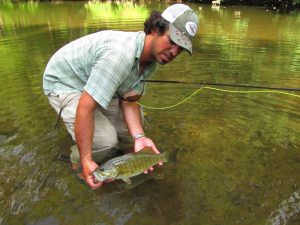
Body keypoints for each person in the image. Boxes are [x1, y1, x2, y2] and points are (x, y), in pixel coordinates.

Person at [43, 3, 199, 189]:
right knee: (106, 141)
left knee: (131, 128)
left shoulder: (151, 61)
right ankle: (77, 157)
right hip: (66, 82)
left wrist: (139, 137)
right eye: (172, 41)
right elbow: (85, 107)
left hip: (93, 83)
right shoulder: (120, 56)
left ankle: (90, 140)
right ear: (156, 30)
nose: (174, 52)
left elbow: (129, 100)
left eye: (180, 48)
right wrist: (86, 160)